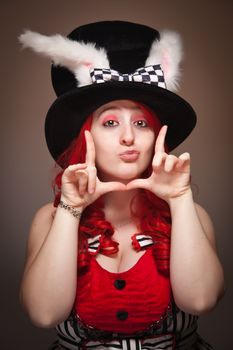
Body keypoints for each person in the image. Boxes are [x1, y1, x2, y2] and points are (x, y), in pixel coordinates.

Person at [19, 21, 224, 349]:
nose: (128, 136)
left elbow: (200, 301)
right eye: (110, 122)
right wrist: (71, 208)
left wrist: (180, 197)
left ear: (157, 136)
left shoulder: (191, 214)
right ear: (87, 137)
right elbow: (44, 314)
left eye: (141, 123)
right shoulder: (49, 218)